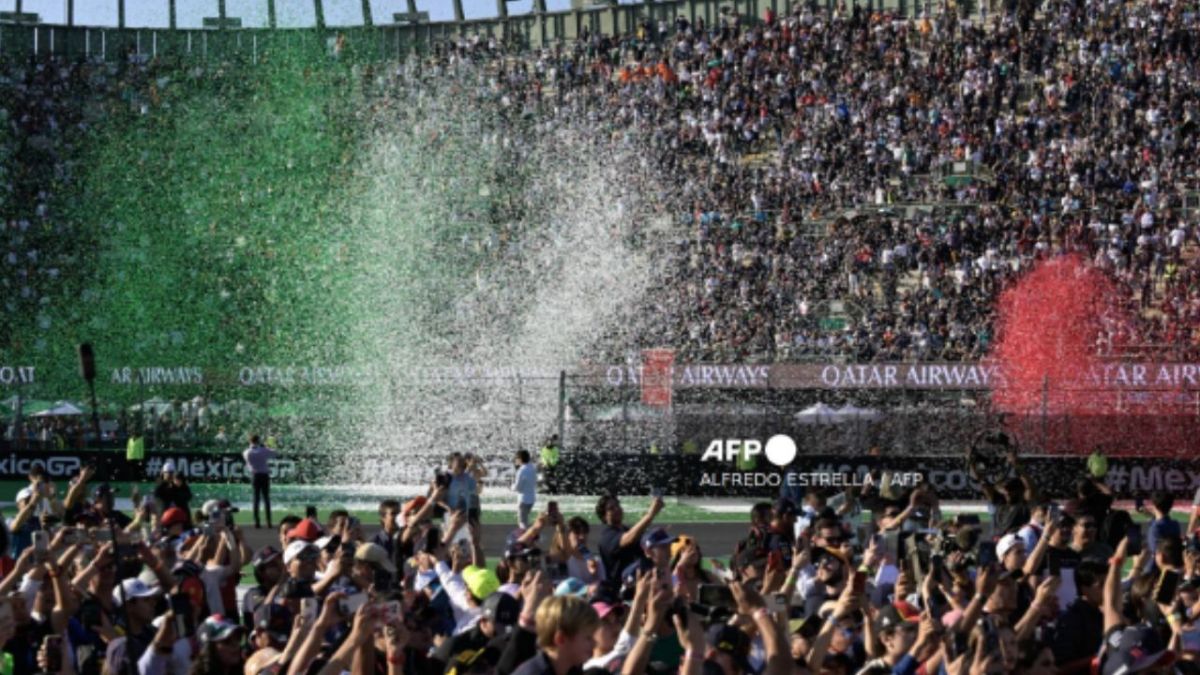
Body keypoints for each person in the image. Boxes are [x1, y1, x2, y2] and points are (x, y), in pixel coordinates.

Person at [243, 434, 276, 529]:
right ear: (258, 441)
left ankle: (256, 522)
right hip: (264, 475)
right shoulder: (263, 450)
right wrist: (268, 446)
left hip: (255, 476)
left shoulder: (246, 452)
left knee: (256, 499)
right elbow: (275, 454)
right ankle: (269, 522)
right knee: (266, 499)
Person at [513, 450, 538, 530]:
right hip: (532, 498)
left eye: (516, 458)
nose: (515, 460)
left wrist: (511, 487)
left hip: (523, 499)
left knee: (522, 522)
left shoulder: (521, 471)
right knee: (525, 520)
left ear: (520, 459)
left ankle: (526, 538)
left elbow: (518, 487)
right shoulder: (532, 468)